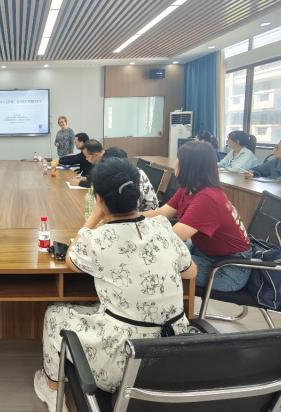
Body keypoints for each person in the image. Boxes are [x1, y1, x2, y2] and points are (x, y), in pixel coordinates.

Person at [35, 158, 195, 408]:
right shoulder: (162, 226)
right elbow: (190, 272)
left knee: (55, 313)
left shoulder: (98, 239)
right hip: (176, 354)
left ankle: (52, 387)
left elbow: (71, 259)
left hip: (124, 363)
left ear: (99, 199)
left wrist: (93, 218)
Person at [143, 141, 252, 292]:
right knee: (155, 258)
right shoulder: (190, 188)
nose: (175, 163)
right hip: (205, 253)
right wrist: (126, 217)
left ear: (188, 166)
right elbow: (160, 213)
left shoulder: (208, 198)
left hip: (227, 269)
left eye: (178, 159)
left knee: (153, 263)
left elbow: (172, 237)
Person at [84, 147, 159, 219]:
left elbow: (129, 208)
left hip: (145, 217)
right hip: (129, 217)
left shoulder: (134, 176)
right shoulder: (115, 175)